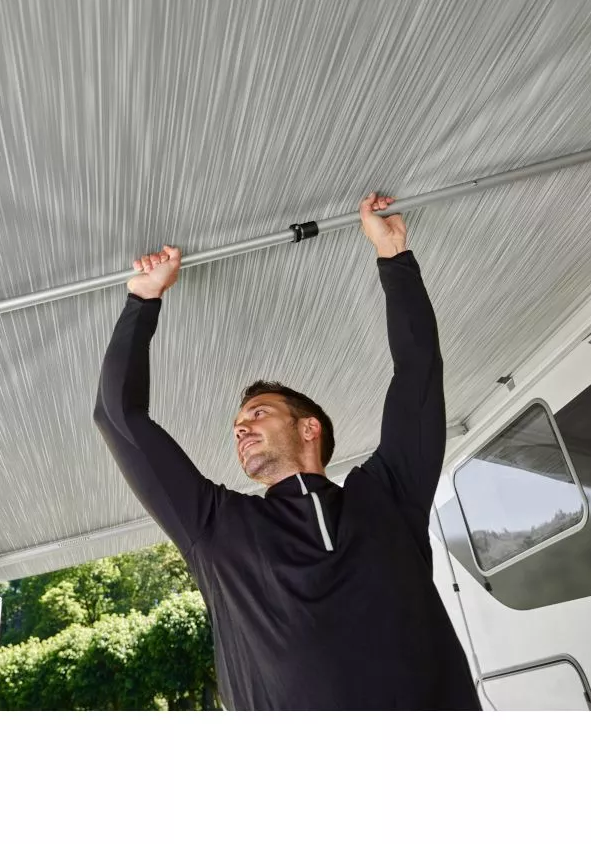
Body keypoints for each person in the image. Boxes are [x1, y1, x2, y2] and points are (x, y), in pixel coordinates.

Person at [93, 192, 481, 710]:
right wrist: (143, 299)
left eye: (258, 413)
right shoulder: (215, 527)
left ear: (309, 428)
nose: (241, 429)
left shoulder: (389, 495)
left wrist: (393, 255)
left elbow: (418, 374)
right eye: (237, 426)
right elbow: (118, 418)